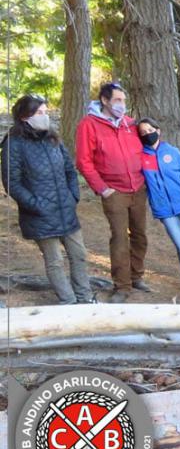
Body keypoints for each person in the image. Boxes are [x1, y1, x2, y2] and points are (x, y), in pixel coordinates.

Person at [1, 94, 93, 304]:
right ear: (25, 117)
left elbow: (70, 169)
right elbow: (12, 182)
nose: (44, 116)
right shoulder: (13, 143)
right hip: (39, 214)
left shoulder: (53, 138)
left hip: (65, 209)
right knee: (55, 261)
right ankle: (69, 301)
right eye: (39, 113)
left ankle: (85, 297)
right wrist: (36, 205)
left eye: (45, 112)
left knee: (78, 254)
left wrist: (73, 195)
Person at [75, 82, 147, 303]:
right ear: (105, 101)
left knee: (140, 236)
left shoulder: (129, 123)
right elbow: (84, 161)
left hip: (138, 188)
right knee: (119, 238)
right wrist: (102, 189)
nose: (122, 105)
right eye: (117, 100)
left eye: (124, 100)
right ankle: (122, 286)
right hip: (114, 192)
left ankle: (136, 276)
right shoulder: (89, 124)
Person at [137, 118, 180, 299]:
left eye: (150, 130)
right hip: (164, 208)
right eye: (142, 132)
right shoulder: (141, 156)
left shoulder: (172, 151)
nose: (147, 134)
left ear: (158, 130)